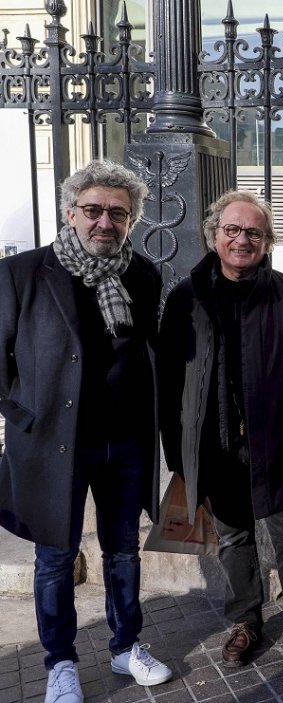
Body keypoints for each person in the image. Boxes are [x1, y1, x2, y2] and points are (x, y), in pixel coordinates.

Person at [0, 160, 173, 703]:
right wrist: (23, 416)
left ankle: (126, 647)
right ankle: (60, 663)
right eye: (94, 210)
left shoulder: (142, 274)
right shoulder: (23, 273)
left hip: (124, 443)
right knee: (55, 556)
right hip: (52, 443)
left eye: (118, 213)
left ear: (131, 220)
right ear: (70, 211)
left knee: (123, 550)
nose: (105, 222)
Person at [158, 190, 283, 685]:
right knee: (234, 538)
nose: (242, 240)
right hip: (214, 447)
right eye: (233, 230)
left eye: (254, 233)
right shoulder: (186, 297)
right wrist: (178, 454)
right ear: (214, 235)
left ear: (267, 243)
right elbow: (169, 382)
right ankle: (247, 619)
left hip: (278, 447)